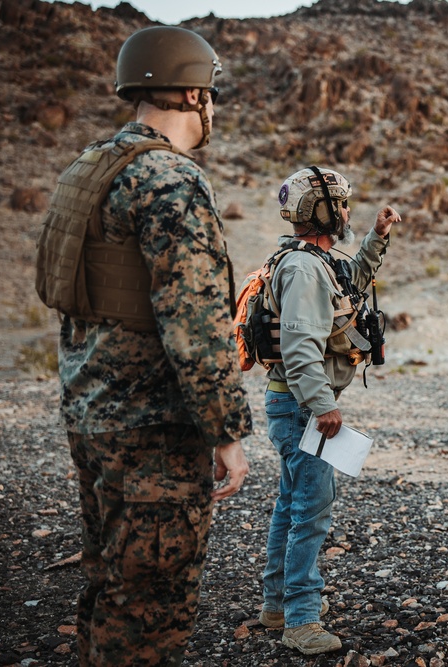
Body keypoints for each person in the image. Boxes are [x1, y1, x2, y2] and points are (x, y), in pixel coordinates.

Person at [34, 26, 252, 666]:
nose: (212, 106)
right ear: (191, 93)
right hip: (153, 432)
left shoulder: (92, 166)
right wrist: (227, 434)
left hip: (92, 416)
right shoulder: (171, 182)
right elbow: (197, 323)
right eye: (209, 93)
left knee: (109, 587)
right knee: (152, 611)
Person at [256, 166, 401, 656]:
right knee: (312, 513)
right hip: (301, 406)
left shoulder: (316, 261)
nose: (345, 212)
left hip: (294, 403)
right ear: (319, 209)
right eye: (339, 205)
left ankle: (275, 605)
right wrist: (321, 406)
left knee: (290, 504)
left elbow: (352, 281)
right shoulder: (301, 268)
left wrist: (376, 238)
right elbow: (298, 345)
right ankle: (300, 620)